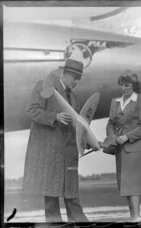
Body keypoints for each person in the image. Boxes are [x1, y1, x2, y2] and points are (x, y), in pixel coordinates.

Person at [23, 59, 89, 223]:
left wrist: (89, 143)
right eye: (74, 78)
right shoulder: (46, 86)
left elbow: (77, 127)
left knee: (72, 198)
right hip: (49, 155)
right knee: (51, 200)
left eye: (78, 78)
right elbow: (31, 110)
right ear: (65, 74)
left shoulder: (74, 97)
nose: (76, 82)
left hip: (69, 155)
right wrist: (55, 117)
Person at [106, 69, 141, 222]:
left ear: (134, 86)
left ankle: (137, 216)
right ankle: (133, 216)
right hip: (119, 149)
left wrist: (126, 137)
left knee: (133, 183)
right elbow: (111, 123)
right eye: (122, 85)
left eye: (127, 85)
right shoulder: (115, 102)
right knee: (125, 184)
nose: (123, 88)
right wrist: (112, 137)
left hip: (135, 148)